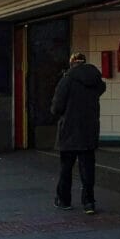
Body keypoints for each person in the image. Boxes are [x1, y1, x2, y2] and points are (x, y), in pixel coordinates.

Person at [50, 51, 106, 214]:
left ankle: (63, 200)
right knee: (88, 168)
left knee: (66, 167)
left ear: (72, 63)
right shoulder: (96, 81)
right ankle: (89, 202)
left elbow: (57, 107)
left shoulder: (66, 79)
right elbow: (100, 90)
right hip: (89, 129)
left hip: (69, 129)